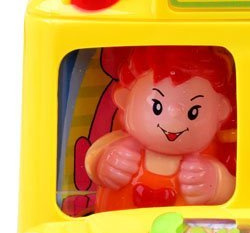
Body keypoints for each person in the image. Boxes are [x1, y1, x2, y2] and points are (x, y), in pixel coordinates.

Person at [85, 46, 236, 211]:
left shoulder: (210, 159)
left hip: (187, 227)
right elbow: (92, 159)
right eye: (157, 107)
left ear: (221, 110)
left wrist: (217, 183)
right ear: (126, 100)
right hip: (117, 223)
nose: (173, 121)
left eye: (193, 112)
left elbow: (235, 192)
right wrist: (104, 164)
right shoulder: (121, 145)